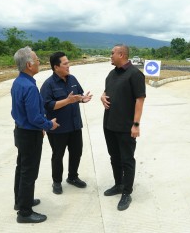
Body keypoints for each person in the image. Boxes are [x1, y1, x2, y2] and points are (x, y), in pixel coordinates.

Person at [11, 46, 59, 224]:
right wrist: (48, 125)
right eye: (37, 59)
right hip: (30, 135)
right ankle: (25, 212)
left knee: (22, 169)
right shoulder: (29, 87)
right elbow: (35, 117)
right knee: (29, 173)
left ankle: (21, 201)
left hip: (21, 132)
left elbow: (18, 111)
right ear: (29, 64)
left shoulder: (19, 82)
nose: (39, 62)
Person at [100, 44, 146, 211]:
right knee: (114, 158)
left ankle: (127, 192)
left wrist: (136, 125)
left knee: (127, 160)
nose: (110, 55)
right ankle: (118, 184)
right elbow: (107, 92)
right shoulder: (111, 74)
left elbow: (139, 100)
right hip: (109, 125)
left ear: (121, 54)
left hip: (126, 127)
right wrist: (102, 96)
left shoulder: (135, 74)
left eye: (112, 53)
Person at [40, 51, 92, 195]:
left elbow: (78, 96)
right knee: (58, 155)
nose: (69, 66)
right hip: (58, 128)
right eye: (65, 63)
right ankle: (56, 182)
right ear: (56, 67)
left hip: (75, 125)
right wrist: (67, 101)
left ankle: (73, 177)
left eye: (68, 63)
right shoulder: (48, 85)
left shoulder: (72, 79)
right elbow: (47, 105)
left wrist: (82, 99)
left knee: (77, 152)